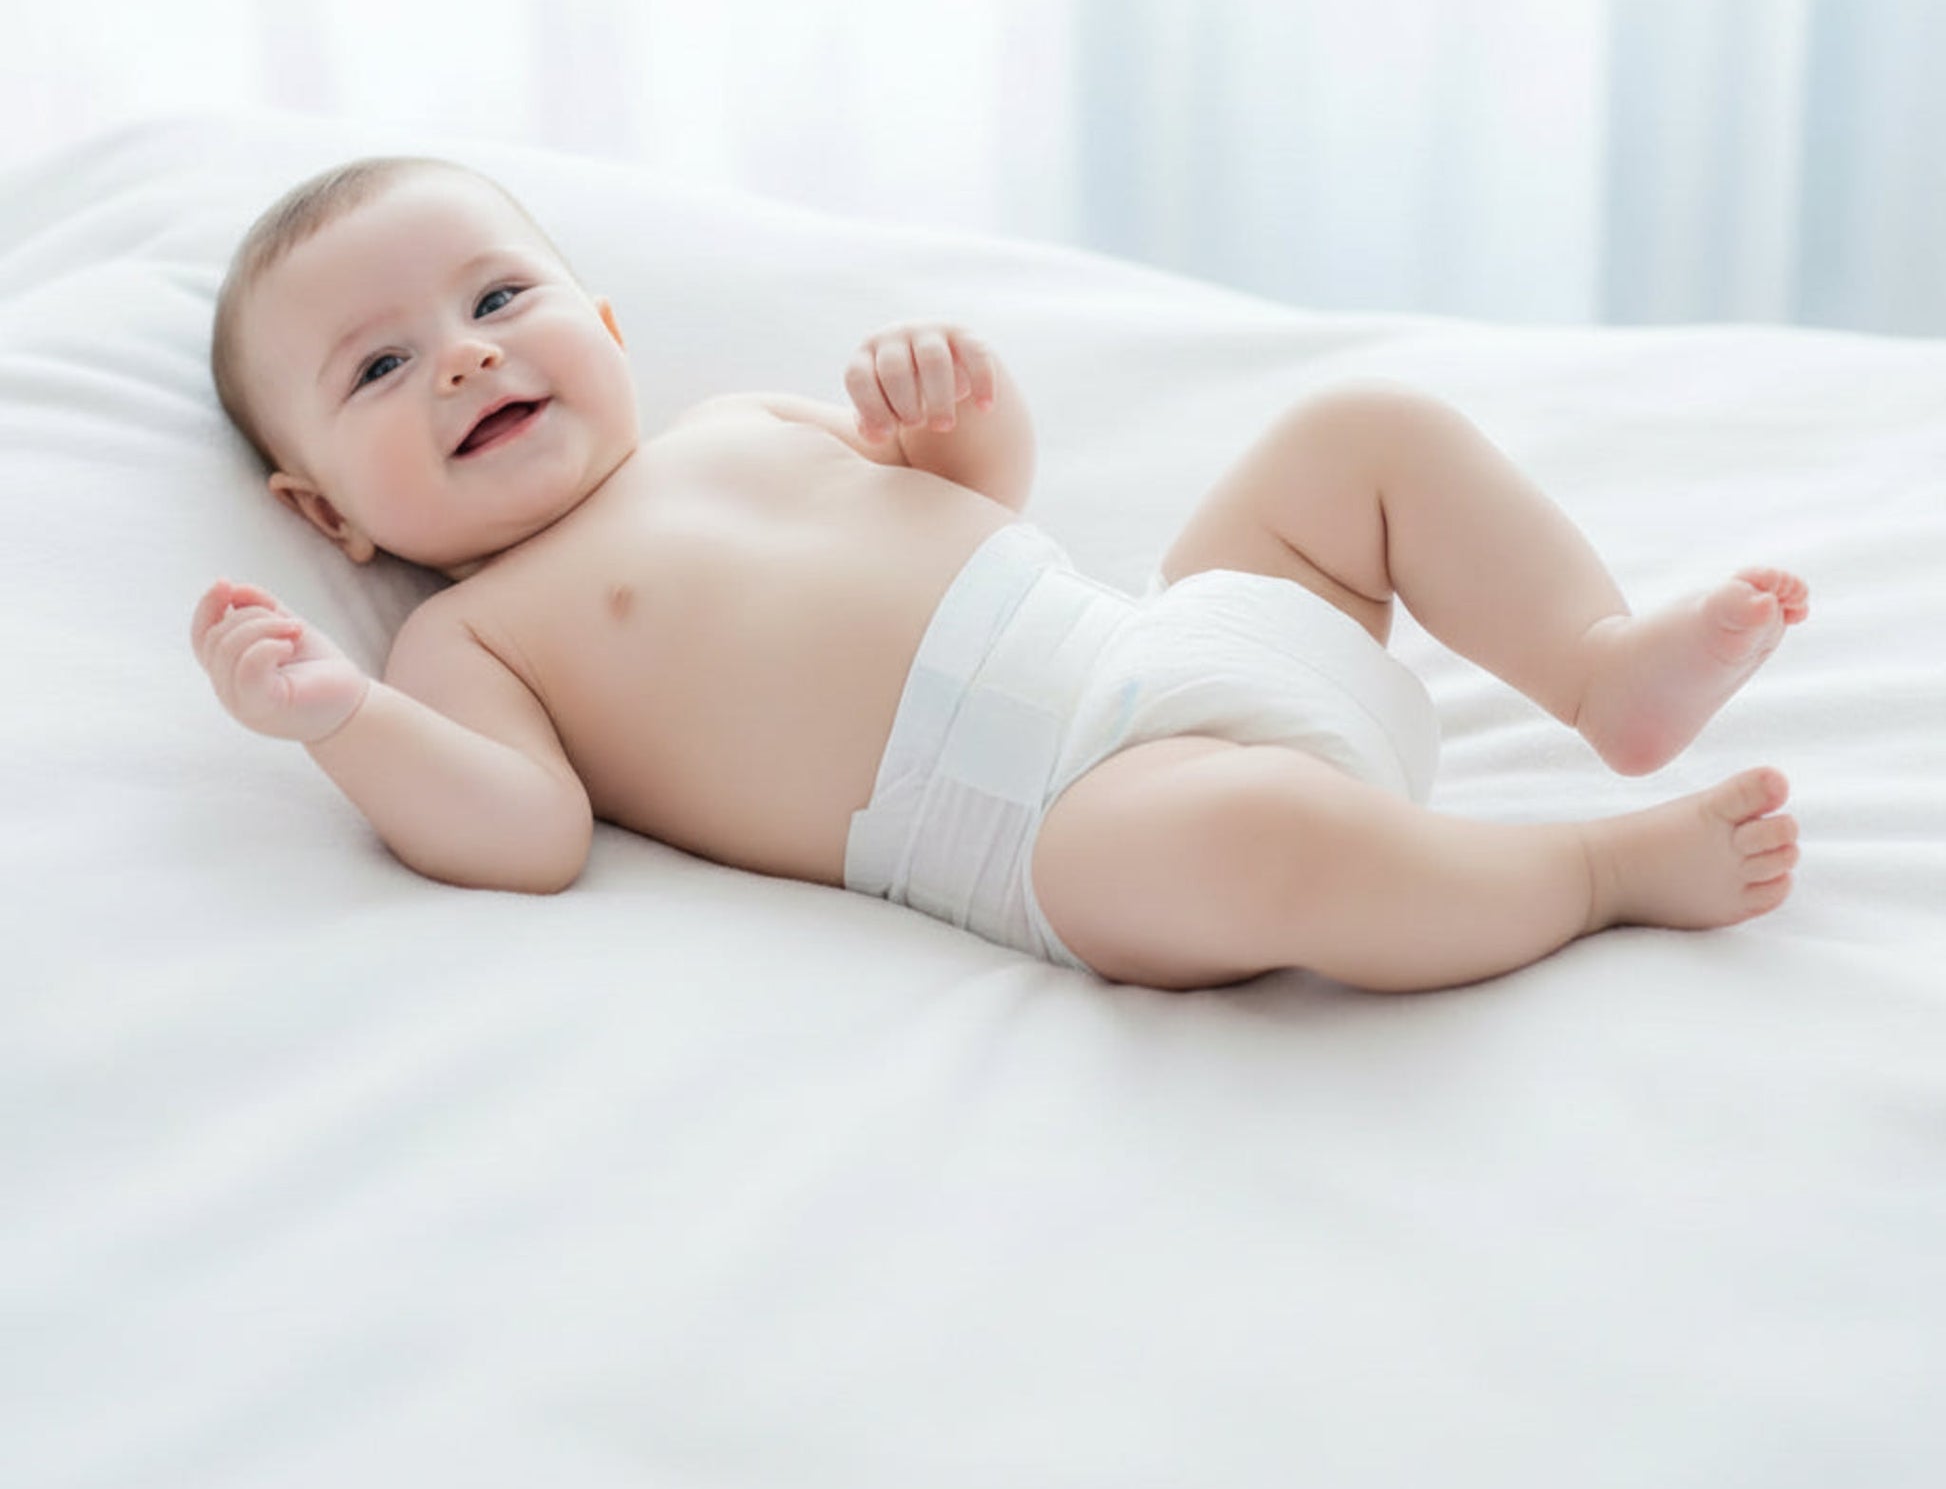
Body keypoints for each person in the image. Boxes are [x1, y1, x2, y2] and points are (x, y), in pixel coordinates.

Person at [191, 157, 1807, 993]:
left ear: (605, 328)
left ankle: (1598, 668)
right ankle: (1589, 876)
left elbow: (975, 497)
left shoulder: (730, 421)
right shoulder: (469, 637)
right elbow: (525, 833)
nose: (465, 362)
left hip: (1165, 633)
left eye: (497, 298)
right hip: (1062, 820)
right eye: (382, 367)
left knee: (1357, 434)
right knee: (1262, 844)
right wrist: (338, 715)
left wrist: (953, 415)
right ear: (325, 515)